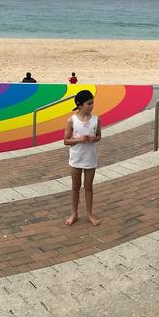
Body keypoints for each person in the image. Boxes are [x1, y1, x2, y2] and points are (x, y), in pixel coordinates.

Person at [64, 89, 101, 226]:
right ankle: (74, 213)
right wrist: (80, 139)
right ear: (80, 105)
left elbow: (99, 137)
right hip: (76, 158)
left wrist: (93, 139)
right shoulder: (71, 120)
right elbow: (66, 141)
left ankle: (89, 214)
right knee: (75, 186)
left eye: (92, 103)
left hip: (90, 157)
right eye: (89, 103)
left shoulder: (96, 119)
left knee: (89, 186)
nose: (92, 106)